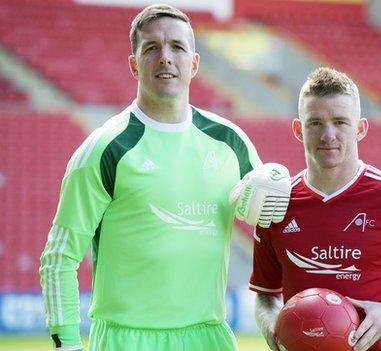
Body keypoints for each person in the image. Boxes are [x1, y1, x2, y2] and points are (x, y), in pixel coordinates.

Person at [39, 4, 290, 351]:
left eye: (177, 47)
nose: (165, 57)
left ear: (194, 63)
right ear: (134, 64)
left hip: (209, 337)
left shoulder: (231, 143)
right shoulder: (105, 150)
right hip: (125, 339)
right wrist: (66, 344)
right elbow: (59, 258)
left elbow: (277, 230)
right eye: (151, 48)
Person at [250, 67, 381, 351]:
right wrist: (272, 328)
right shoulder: (276, 204)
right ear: (297, 129)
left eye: (340, 122)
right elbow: (266, 295)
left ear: (360, 128)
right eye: (314, 122)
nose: (328, 134)